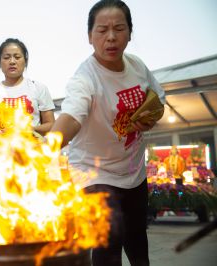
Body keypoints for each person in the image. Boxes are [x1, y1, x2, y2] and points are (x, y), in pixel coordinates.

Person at [49, 1, 165, 265]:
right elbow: (72, 115)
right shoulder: (84, 78)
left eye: (119, 29)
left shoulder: (137, 66)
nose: (111, 37)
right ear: (90, 36)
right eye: (102, 30)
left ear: (130, 33)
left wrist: (149, 118)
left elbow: (158, 98)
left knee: (137, 241)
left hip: (133, 170)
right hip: (93, 171)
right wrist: (48, 147)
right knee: (109, 237)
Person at [0, 38, 55, 136]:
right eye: (6, 57)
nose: (12, 61)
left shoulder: (38, 88)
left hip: (31, 149)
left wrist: (30, 130)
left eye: (17, 57)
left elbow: (51, 125)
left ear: (25, 61)